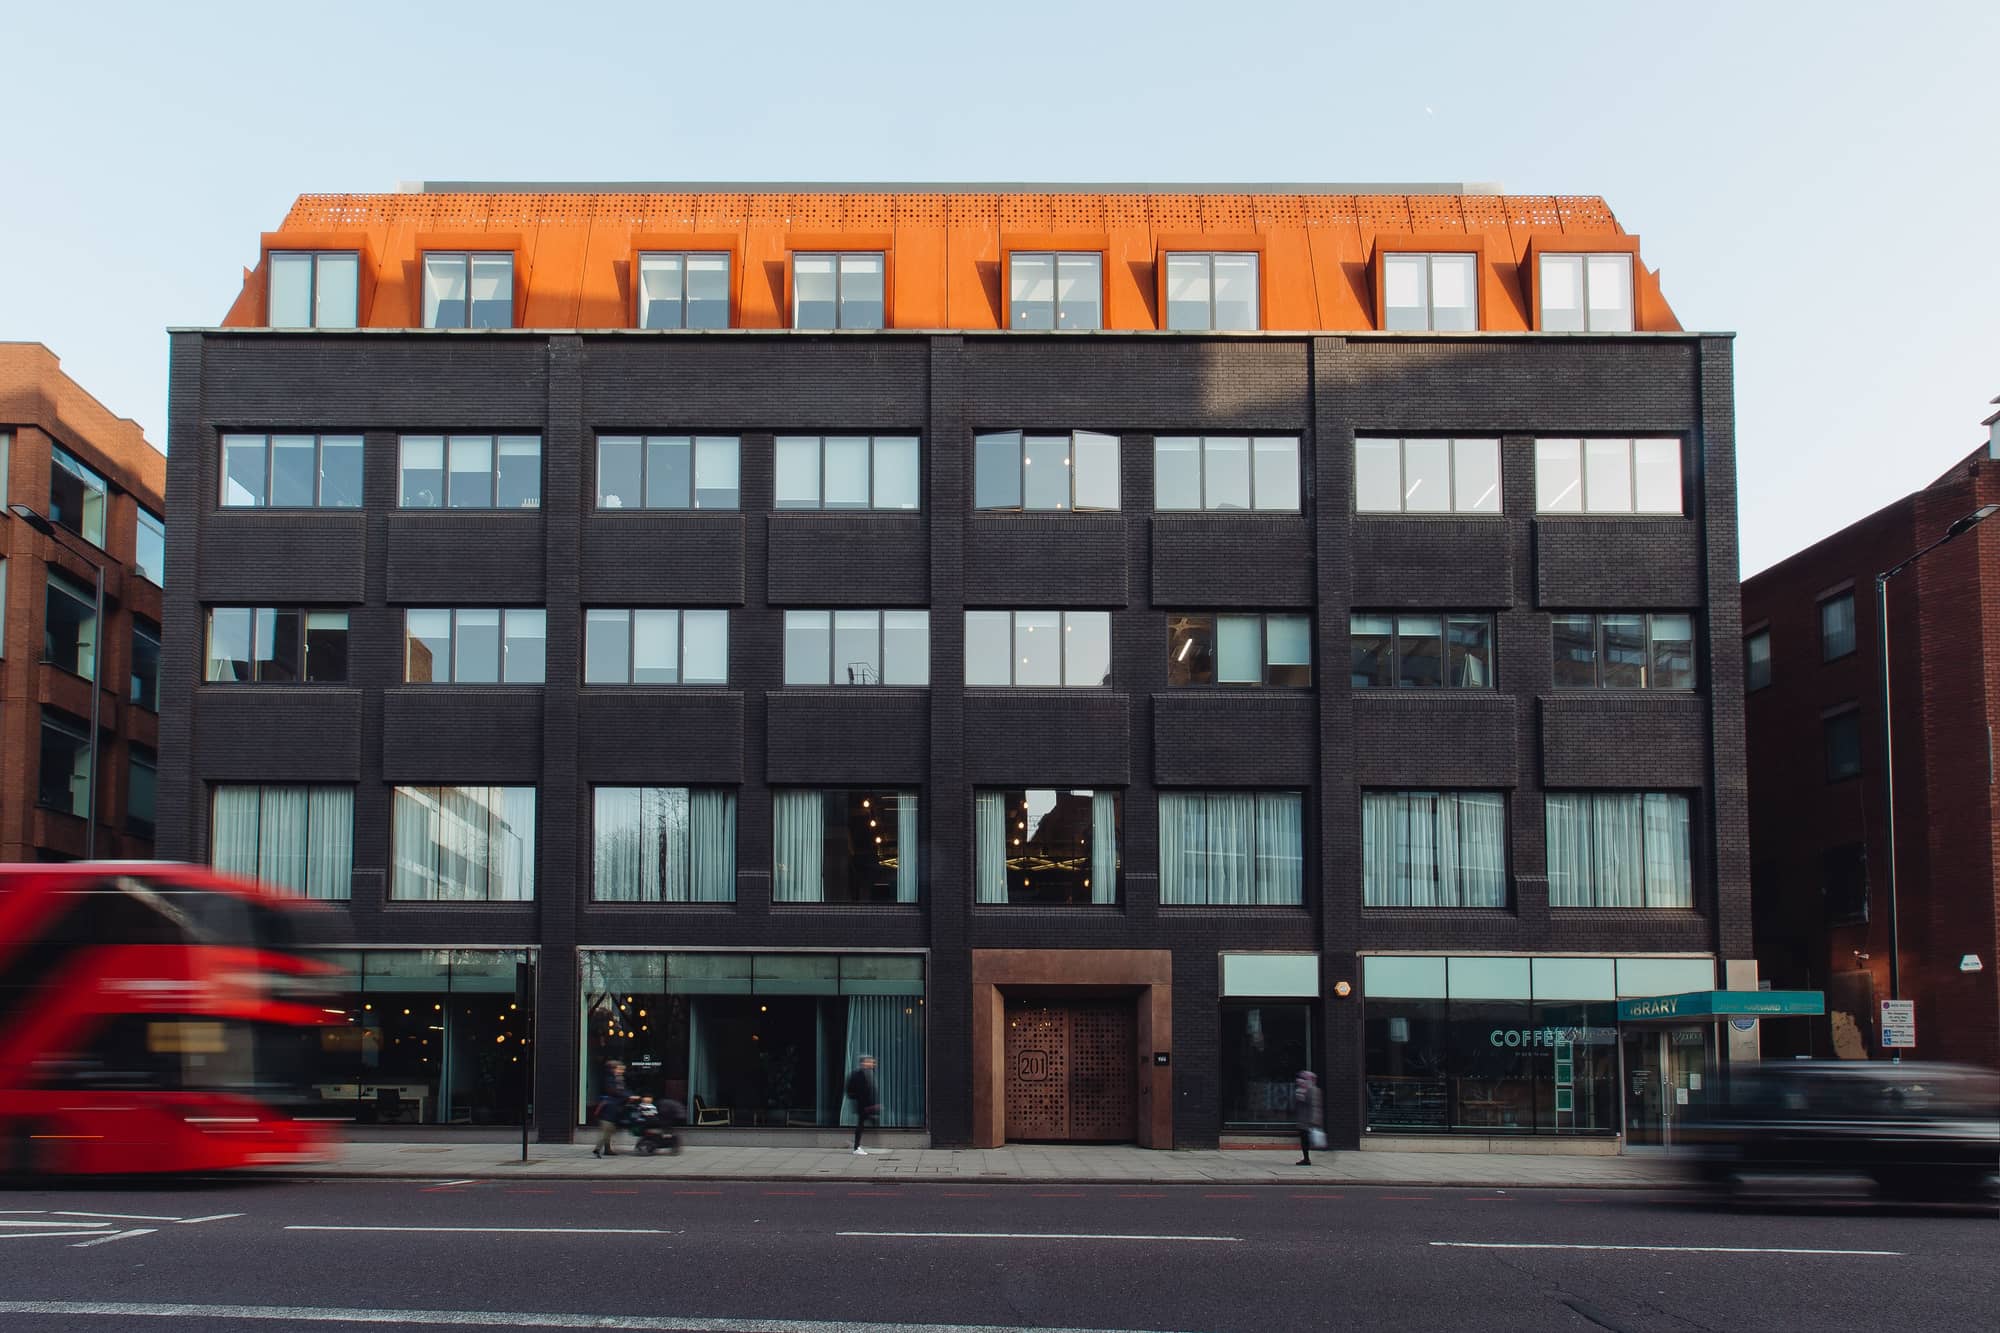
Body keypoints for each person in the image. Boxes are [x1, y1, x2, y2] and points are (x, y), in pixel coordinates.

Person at [592, 1059, 629, 1158]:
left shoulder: (618, 1079)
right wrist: (627, 1096)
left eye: (623, 1070)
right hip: (607, 1109)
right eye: (620, 1069)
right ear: (614, 1069)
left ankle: (607, 1149)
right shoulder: (610, 1080)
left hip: (613, 1109)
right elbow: (615, 1092)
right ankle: (597, 1149)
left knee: (610, 1129)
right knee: (606, 1130)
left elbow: (624, 1091)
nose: (622, 1071)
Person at [845, 1054, 880, 1155]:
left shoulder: (869, 1073)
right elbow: (850, 1090)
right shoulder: (857, 1075)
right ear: (863, 1063)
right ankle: (856, 1147)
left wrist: (874, 1104)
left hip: (868, 1106)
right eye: (869, 1061)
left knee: (865, 1123)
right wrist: (861, 1100)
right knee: (861, 1125)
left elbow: (871, 1090)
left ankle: (857, 1145)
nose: (872, 1063)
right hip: (862, 1105)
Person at [1292, 1069, 1323, 1166]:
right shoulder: (1302, 1090)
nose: (1300, 1080)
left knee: (1306, 1140)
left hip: (1308, 1120)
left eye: (1303, 1078)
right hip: (1302, 1120)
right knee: (1303, 1139)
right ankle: (1306, 1158)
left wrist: (1314, 1120)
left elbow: (1314, 1105)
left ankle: (1307, 1159)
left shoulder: (1313, 1090)